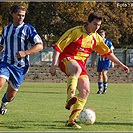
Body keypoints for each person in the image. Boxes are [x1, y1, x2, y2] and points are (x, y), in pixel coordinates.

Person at [49, 12, 129, 129]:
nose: (97, 27)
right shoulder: (75, 32)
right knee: (75, 69)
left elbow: (107, 53)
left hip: (81, 65)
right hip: (67, 58)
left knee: (86, 91)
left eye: (99, 25)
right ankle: (69, 97)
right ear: (88, 22)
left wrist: (121, 64)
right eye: (95, 24)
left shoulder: (96, 38)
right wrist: (53, 65)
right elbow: (58, 47)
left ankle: (72, 120)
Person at [0, 5, 43, 115]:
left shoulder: (28, 29)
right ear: (12, 14)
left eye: (23, 16)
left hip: (20, 67)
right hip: (5, 63)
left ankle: (4, 102)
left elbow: (40, 45)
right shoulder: (6, 29)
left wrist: (25, 53)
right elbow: (1, 46)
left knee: (10, 96)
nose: (21, 17)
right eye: (18, 15)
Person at [91, 30, 114, 94]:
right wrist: (94, 61)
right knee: (100, 74)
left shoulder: (108, 42)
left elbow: (112, 52)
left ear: (104, 35)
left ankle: (105, 88)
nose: (101, 36)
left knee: (104, 73)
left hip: (107, 60)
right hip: (100, 60)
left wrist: (112, 61)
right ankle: (100, 89)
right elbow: (95, 53)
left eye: (103, 35)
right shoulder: (97, 42)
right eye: (100, 35)